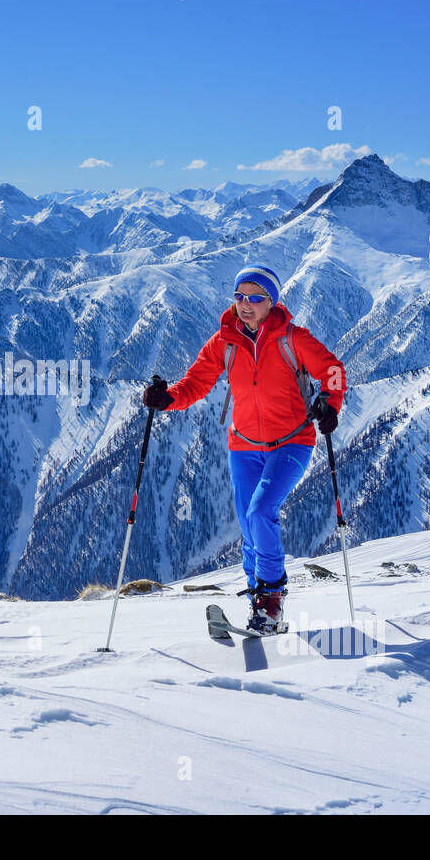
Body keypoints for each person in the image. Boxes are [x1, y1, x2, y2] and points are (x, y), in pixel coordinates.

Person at [141, 265, 346, 634]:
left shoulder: (293, 339)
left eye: (255, 298)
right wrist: (166, 399)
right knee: (248, 527)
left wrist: (331, 404)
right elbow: (195, 383)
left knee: (260, 511)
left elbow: (332, 369)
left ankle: (272, 598)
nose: (245, 305)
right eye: (239, 297)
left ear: (272, 302)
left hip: (292, 442)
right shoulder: (225, 341)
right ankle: (258, 601)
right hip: (244, 446)